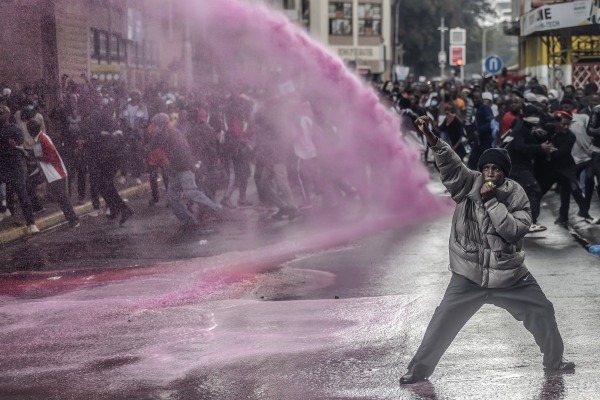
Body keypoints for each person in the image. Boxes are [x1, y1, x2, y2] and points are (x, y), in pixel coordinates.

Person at [399, 115, 575, 385]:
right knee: (442, 320)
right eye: (487, 168)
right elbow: (450, 165)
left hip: (509, 274)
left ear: (505, 172)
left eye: (496, 169)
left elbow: (515, 230)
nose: (491, 173)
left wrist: (492, 202)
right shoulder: (469, 183)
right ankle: (417, 371)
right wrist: (432, 138)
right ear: (481, 170)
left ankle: (555, 360)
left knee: (542, 310)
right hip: (469, 274)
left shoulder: (516, 194)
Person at [147, 113, 223, 230]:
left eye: (156, 124)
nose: (154, 126)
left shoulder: (173, 134)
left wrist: (189, 167)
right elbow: (153, 146)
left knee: (192, 192)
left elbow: (183, 152)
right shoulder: (162, 135)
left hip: (184, 168)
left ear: (162, 124)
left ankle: (215, 208)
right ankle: (188, 221)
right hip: (175, 170)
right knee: (172, 197)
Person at [26, 119, 79, 228]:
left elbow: (51, 156)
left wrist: (38, 157)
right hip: (49, 173)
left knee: (62, 197)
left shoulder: (43, 139)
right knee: (60, 198)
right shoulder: (39, 139)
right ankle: (71, 219)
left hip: (55, 172)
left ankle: (74, 220)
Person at [0, 105, 39, 233]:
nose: (0, 116)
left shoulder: (14, 129)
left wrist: (15, 145)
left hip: (15, 165)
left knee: (22, 194)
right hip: (3, 166)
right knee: (7, 192)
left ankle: (31, 223)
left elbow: (21, 144)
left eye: (2, 113)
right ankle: (6, 211)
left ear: (7, 114)